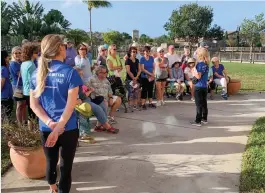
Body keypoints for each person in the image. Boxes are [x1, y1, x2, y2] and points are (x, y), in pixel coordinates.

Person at [30, 34, 83, 193]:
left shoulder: (36, 74)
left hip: (46, 128)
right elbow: (70, 104)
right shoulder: (70, 73)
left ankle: (52, 187)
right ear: (60, 48)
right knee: (65, 168)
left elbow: (34, 106)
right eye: (65, 46)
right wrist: (59, 127)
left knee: (50, 162)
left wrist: (51, 125)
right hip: (68, 128)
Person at [74, 67, 119, 137]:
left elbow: (110, 90)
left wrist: (110, 97)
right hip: (89, 99)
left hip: (94, 99)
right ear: (98, 73)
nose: (82, 76)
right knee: (98, 108)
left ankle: (99, 126)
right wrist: (90, 91)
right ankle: (107, 126)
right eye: (80, 74)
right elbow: (82, 96)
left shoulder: (106, 81)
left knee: (103, 105)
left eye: (105, 73)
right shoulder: (83, 81)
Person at [21, 42, 38, 128]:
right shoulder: (31, 65)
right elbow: (34, 80)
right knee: (33, 112)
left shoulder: (24, 63)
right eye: (36, 52)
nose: (37, 53)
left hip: (25, 91)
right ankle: (32, 130)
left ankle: (30, 130)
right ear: (31, 53)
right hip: (31, 91)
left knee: (30, 112)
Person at [190, 47, 209, 127]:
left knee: (199, 104)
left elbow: (198, 76)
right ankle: (204, 118)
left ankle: (198, 121)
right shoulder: (206, 64)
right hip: (204, 86)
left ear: (200, 55)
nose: (196, 55)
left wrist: (193, 70)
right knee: (204, 103)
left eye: (197, 53)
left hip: (199, 86)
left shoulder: (200, 65)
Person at [9, 46, 27, 125]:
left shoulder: (20, 62)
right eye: (15, 53)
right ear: (12, 54)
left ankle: (24, 121)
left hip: (23, 85)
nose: (17, 55)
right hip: (18, 87)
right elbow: (20, 74)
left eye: (19, 53)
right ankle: (20, 123)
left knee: (23, 105)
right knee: (19, 105)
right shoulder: (13, 63)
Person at [125, 46, 141, 111]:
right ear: (130, 52)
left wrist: (136, 77)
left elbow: (139, 70)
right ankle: (129, 106)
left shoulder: (137, 60)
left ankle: (135, 105)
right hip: (129, 80)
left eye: (135, 52)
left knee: (136, 93)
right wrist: (133, 78)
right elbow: (128, 71)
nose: (134, 53)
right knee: (130, 93)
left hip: (136, 79)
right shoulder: (127, 60)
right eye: (133, 52)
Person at [140, 46, 156, 110]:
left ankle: (150, 103)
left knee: (150, 89)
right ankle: (143, 104)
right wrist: (150, 74)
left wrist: (153, 73)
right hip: (144, 76)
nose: (146, 52)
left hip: (151, 77)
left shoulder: (152, 58)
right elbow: (142, 69)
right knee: (144, 90)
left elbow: (153, 66)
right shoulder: (142, 59)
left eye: (148, 51)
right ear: (143, 52)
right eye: (145, 51)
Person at [1, 50, 13, 119]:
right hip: (5, 97)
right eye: (7, 56)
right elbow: (2, 82)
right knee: (6, 116)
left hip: (4, 96)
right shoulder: (3, 69)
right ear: (4, 58)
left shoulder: (4, 68)